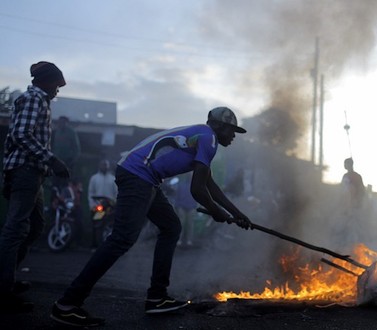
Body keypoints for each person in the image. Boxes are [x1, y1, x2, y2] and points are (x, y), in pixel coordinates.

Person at [51, 106, 252, 327]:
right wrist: (216, 212)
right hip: (139, 176)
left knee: (171, 227)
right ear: (218, 126)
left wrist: (238, 214)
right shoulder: (209, 138)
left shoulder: (201, 135)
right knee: (121, 239)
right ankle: (67, 305)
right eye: (231, 130)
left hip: (145, 178)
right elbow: (197, 190)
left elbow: (209, 185)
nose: (233, 136)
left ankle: (157, 297)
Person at [0, 61, 69, 313]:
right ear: (45, 81)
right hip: (24, 172)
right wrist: (52, 159)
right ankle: (4, 289)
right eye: (56, 85)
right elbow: (20, 135)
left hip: (34, 174)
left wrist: (48, 166)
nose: (57, 91)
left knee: (35, 226)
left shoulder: (40, 101)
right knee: (16, 229)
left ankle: (7, 279)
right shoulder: (34, 99)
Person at [87, 159, 117, 248]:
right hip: (98, 207)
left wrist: (114, 204)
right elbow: (90, 193)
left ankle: (109, 246)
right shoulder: (94, 178)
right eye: (103, 164)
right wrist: (92, 205)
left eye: (106, 165)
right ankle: (95, 246)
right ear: (99, 166)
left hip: (110, 207)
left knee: (110, 225)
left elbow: (116, 193)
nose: (104, 166)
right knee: (97, 226)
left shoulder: (113, 178)